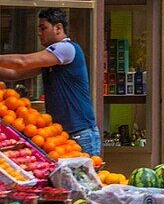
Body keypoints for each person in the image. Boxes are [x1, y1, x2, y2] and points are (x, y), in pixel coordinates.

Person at [0, 8, 100, 156]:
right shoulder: (52, 58)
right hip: (60, 135)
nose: (39, 33)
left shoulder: (66, 49)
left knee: (84, 178)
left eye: (43, 28)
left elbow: (22, 62)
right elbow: (14, 74)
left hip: (80, 133)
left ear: (58, 28)